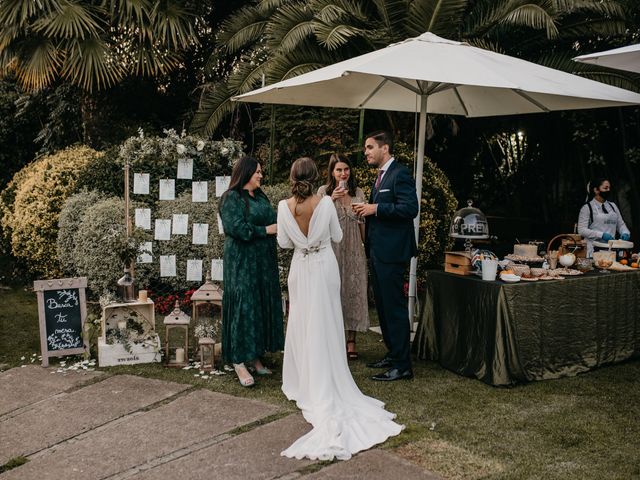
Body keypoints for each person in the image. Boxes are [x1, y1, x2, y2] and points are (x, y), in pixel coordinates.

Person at [277, 157, 403, 461]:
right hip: (322, 266)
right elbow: (337, 236)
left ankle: (302, 380)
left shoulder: (283, 206)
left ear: (293, 177)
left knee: (302, 322)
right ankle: (327, 376)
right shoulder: (325, 204)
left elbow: (282, 242)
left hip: (300, 268)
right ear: (318, 175)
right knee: (327, 323)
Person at [352, 130, 418, 382]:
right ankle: (393, 354)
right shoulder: (380, 176)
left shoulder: (399, 173)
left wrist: (375, 208)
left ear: (385, 148)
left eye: (369, 147)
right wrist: (366, 213)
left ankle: (403, 366)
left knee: (395, 309)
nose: (366, 152)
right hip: (378, 251)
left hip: (393, 253)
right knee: (382, 307)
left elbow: (410, 208)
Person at [218, 156, 284, 387]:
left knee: (258, 304)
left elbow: (276, 219)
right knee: (243, 306)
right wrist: (265, 230)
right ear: (245, 173)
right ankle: (238, 360)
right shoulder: (231, 198)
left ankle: (254, 355)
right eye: (257, 172)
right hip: (242, 262)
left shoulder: (260, 196)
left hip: (263, 261)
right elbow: (236, 228)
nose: (261, 175)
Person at [317, 154, 369, 360]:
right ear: (331, 172)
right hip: (332, 249)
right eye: (338, 170)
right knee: (333, 292)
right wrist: (332, 200)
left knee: (354, 291)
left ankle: (351, 341)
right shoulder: (323, 192)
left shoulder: (358, 193)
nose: (343, 173)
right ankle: (332, 340)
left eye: (346, 169)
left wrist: (367, 246)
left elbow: (362, 223)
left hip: (355, 249)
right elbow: (317, 221)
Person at [577, 177, 631, 257]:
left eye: (609, 188)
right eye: (605, 188)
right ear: (596, 190)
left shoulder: (613, 206)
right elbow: (581, 230)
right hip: (593, 250)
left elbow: (621, 224)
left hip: (612, 250)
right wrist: (601, 235)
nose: (608, 190)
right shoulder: (587, 208)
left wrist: (625, 233)